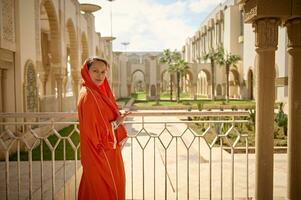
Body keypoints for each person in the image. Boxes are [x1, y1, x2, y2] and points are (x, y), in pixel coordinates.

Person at [77, 57, 131, 200]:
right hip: (100, 151)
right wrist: (117, 122)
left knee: (98, 189)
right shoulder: (89, 96)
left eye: (103, 72)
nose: (99, 76)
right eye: (95, 71)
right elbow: (94, 130)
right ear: (86, 71)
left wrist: (116, 119)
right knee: (107, 188)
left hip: (105, 150)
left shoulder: (95, 93)